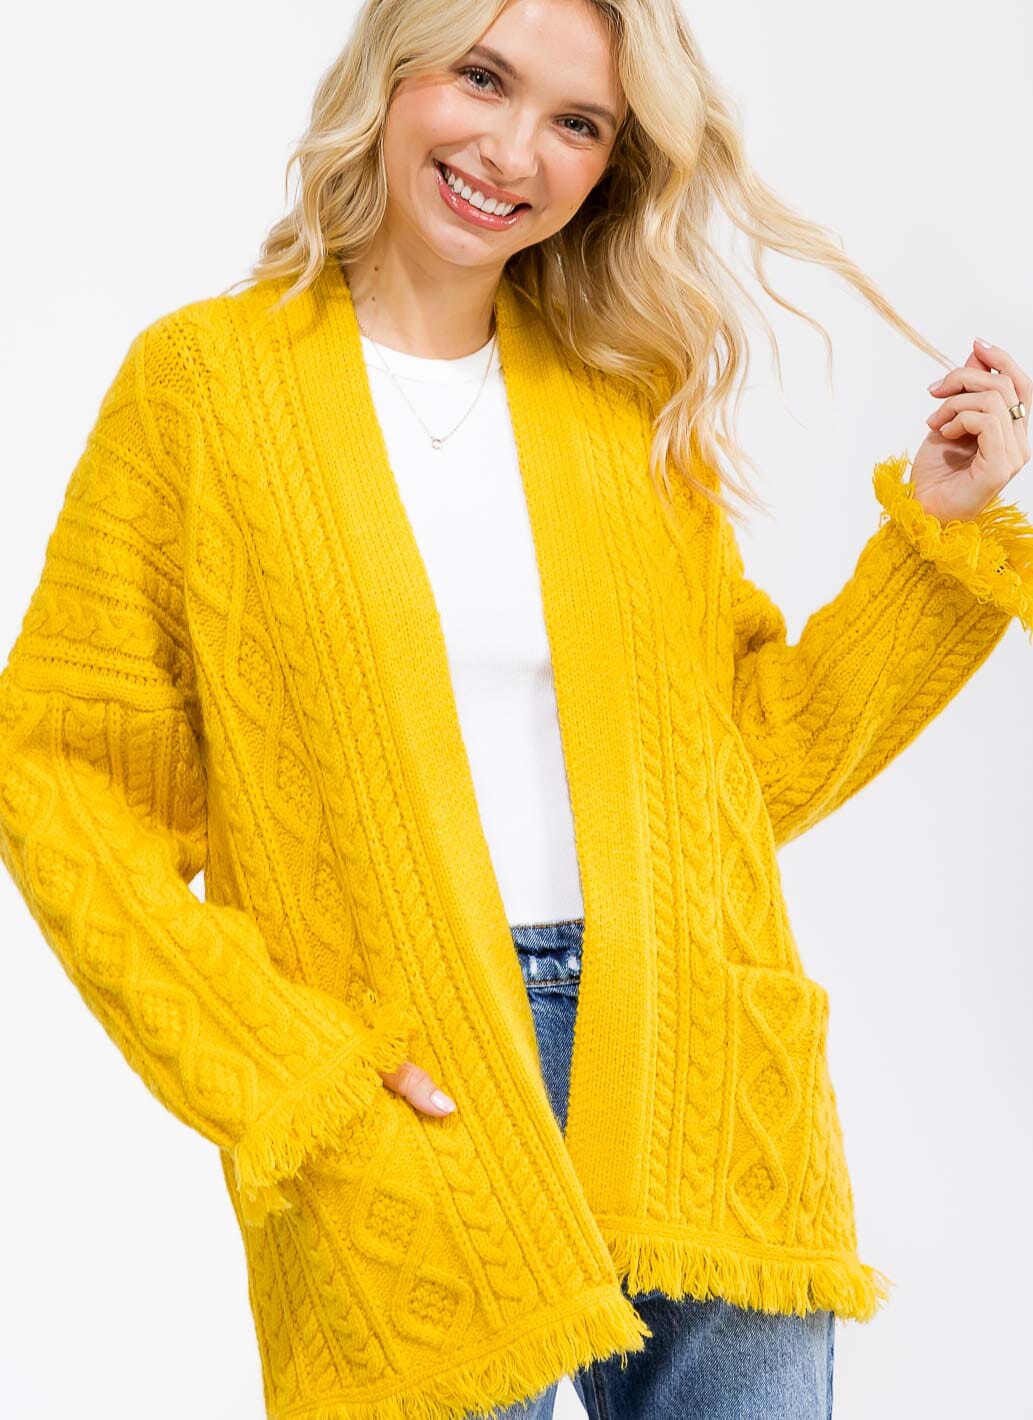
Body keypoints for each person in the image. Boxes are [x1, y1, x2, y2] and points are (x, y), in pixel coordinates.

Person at [1, 1, 1030, 1418]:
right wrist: (288, 1064)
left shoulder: (623, 401)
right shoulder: (203, 391)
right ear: (392, 71)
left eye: (575, 122)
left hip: (696, 1062)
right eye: (481, 78)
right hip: (408, 1083)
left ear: (610, 164)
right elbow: (59, 774)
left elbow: (738, 772)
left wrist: (937, 528)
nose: (512, 151)